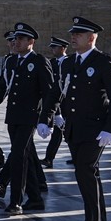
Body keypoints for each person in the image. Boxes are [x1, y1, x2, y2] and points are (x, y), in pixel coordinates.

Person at [59, 16, 111, 221]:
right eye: (72, 34)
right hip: (74, 129)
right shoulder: (68, 63)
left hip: (96, 130)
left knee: (85, 171)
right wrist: (56, 116)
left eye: (78, 34)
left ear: (92, 37)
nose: (73, 37)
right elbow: (65, 93)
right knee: (89, 173)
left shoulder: (105, 61)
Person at [0, 22, 57, 214]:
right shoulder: (11, 61)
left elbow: (49, 92)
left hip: (30, 117)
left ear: (31, 41)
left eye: (21, 39)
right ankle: (35, 199)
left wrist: (47, 119)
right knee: (26, 157)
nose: (16, 42)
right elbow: (1, 87)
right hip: (13, 117)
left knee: (17, 157)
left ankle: (15, 201)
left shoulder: (39, 61)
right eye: (15, 39)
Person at [42, 37, 71, 167]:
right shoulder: (52, 63)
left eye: (55, 47)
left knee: (68, 132)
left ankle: (77, 156)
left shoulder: (70, 62)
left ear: (63, 48)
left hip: (68, 102)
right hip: (56, 101)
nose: (52, 49)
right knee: (60, 131)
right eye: (52, 47)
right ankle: (49, 158)